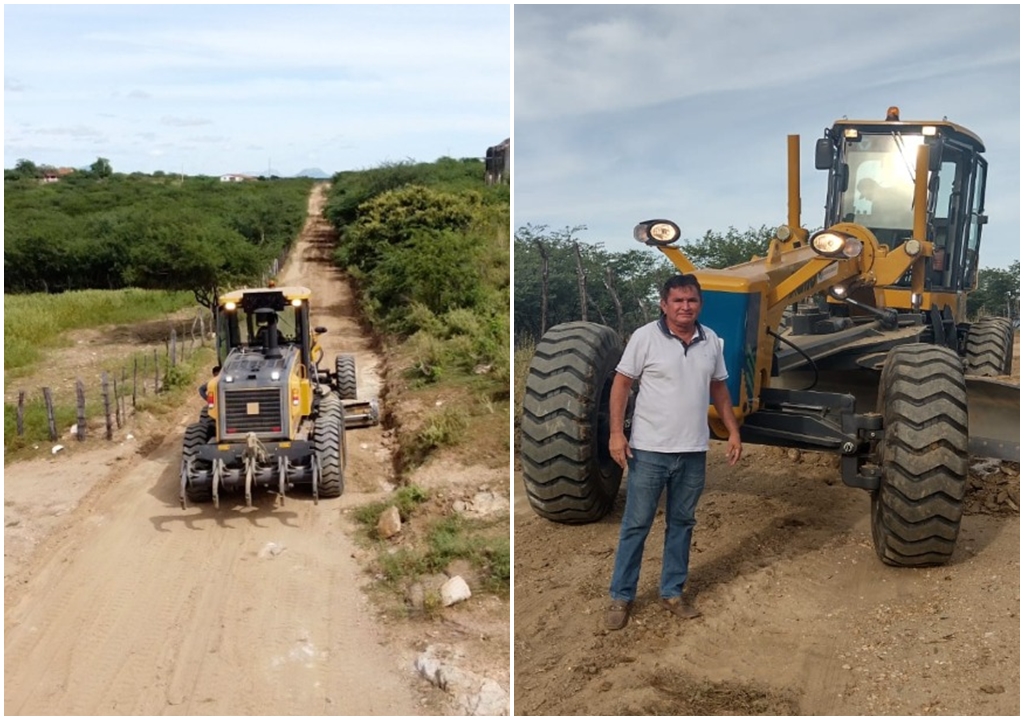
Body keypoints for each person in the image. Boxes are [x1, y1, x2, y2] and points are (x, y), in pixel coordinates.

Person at [605, 273, 742, 631]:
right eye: (678, 301)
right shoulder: (645, 338)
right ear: (664, 305)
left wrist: (733, 431)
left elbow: (719, 389)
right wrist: (616, 433)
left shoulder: (710, 341)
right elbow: (622, 383)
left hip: (693, 451)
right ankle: (621, 596)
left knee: (682, 523)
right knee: (636, 524)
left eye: (691, 300)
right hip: (649, 451)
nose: (685, 307)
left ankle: (672, 592)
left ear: (700, 304)